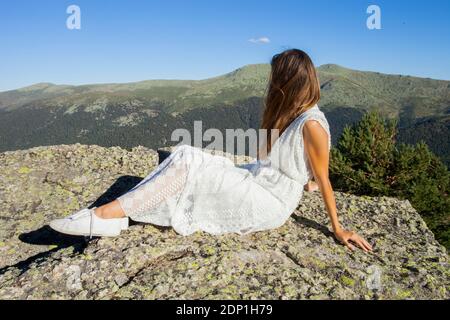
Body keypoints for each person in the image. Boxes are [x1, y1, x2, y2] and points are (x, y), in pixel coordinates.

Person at [50, 49, 372, 252]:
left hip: (270, 200)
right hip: (261, 179)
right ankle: (120, 213)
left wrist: (338, 228)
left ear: (289, 81)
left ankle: (106, 215)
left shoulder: (312, 124)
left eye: (277, 78)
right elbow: (272, 160)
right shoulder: (292, 116)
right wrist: (304, 177)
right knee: (186, 152)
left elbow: (325, 178)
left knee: (190, 165)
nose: (273, 84)